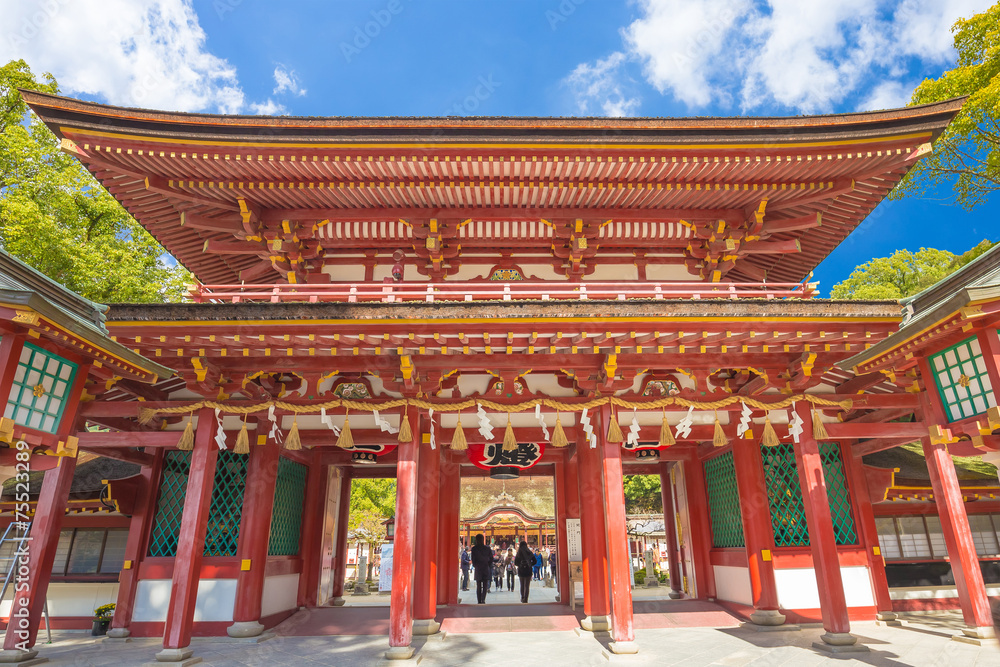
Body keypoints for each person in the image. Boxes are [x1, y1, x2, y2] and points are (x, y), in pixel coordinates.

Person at [471, 534, 492, 604]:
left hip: (478, 568)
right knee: (485, 585)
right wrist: (487, 565)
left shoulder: (474, 549)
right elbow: (491, 559)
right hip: (485, 568)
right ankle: (483, 599)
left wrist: (475, 565)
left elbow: (473, 560)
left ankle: (479, 600)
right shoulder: (487, 548)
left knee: (478, 585)